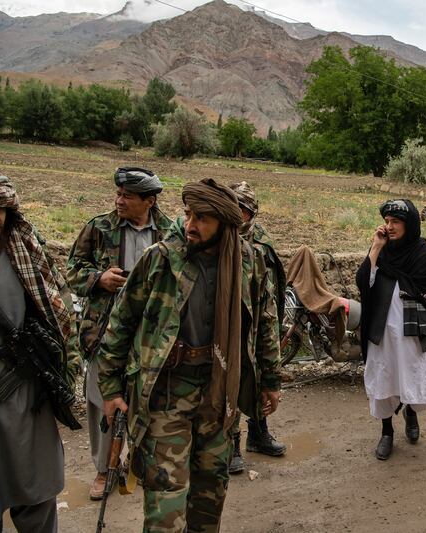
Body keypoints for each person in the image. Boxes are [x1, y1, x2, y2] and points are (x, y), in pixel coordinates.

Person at [96, 179, 281, 531]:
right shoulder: (162, 259)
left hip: (218, 391)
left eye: (202, 219)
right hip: (167, 391)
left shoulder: (249, 262)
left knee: (210, 497)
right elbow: (120, 324)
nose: (191, 225)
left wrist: (270, 381)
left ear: (225, 225)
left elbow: (263, 321)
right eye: (188, 214)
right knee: (166, 506)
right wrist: (111, 390)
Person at [66, 167, 172, 500]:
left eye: (127, 196)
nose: (119, 200)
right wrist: (99, 278)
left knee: (148, 400)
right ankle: (104, 470)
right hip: (104, 332)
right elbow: (71, 270)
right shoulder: (99, 227)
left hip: (151, 338)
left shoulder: (170, 233)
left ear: (149, 201)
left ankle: (137, 464)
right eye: (118, 194)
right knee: (102, 401)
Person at [0, 175, 80, 533]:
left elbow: (60, 312)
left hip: (24, 388)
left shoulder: (25, 249)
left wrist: (68, 367)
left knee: (36, 490)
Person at [356, 199, 426, 461]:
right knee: (384, 379)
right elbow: (363, 282)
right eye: (387, 222)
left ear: (410, 224)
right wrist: (375, 247)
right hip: (381, 331)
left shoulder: (425, 253)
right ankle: (386, 433)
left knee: (412, 378)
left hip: (413, 331)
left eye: (395, 222)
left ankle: (411, 413)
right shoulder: (382, 251)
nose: (389, 226)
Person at [227, 182, 287, 474]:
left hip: (263, 319)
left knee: (261, 377)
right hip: (236, 325)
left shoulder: (261, 240)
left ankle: (258, 433)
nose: (237, 213)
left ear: (250, 212)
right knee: (234, 382)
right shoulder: (223, 240)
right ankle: (231, 443)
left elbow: (274, 280)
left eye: (242, 209)